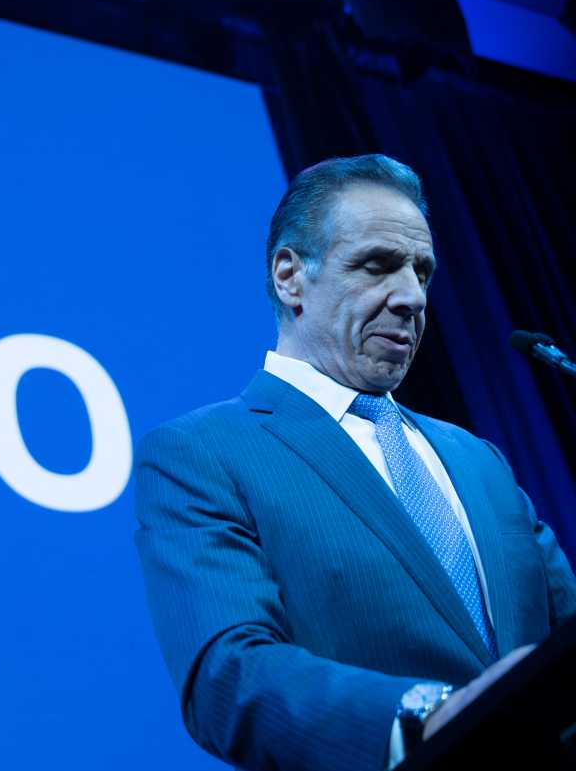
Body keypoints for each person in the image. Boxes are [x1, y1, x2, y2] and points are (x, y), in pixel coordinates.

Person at [134, 154, 576, 771]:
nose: (411, 297)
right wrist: (425, 713)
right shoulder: (202, 452)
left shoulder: (480, 462)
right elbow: (226, 675)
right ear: (290, 276)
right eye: (377, 266)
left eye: (423, 272)